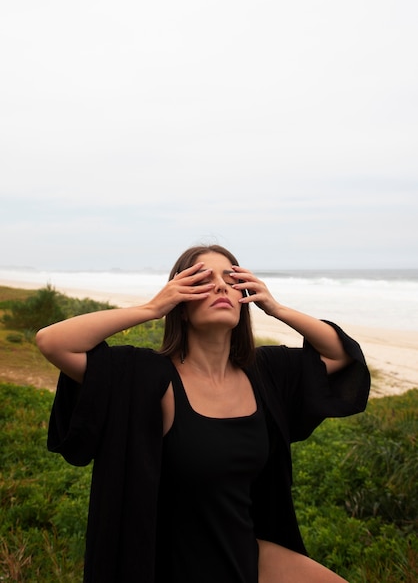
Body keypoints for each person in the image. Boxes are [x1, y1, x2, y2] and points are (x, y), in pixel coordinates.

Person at [36, 244, 370, 583]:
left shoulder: (266, 371)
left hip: (247, 555)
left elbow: (341, 356)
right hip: (168, 566)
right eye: (203, 281)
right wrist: (153, 307)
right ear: (180, 303)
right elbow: (53, 341)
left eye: (231, 279)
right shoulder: (148, 377)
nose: (222, 287)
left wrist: (276, 308)